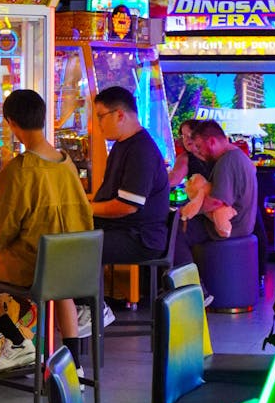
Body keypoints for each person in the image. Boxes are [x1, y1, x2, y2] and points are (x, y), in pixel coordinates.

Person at [0, 89, 92, 374]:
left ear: (11, 122)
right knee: (62, 291)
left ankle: (19, 342)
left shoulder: (19, 169)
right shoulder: (67, 163)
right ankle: (75, 368)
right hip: (71, 264)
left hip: (31, 267)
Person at [89, 85, 170, 266]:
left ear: (119, 115)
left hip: (140, 237)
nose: (98, 124)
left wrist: (86, 209)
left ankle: (77, 288)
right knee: (65, 236)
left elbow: (127, 206)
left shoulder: (141, 150)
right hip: (123, 229)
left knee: (71, 247)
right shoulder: (122, 145)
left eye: (100, 116)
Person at [173, 119, 258, 267]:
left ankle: (189, 280)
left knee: (174, 232)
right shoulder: (239, 156)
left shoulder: (227, 162)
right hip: (242, 225)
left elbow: (216, 202)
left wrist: (185, 212)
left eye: (199, 146)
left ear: (212, 141)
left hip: (229, 227)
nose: (198, 151)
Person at [167, 118, 210, 188]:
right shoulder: (184, 157)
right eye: (184, 136)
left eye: (191, 134)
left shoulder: (217, 154)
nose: (187, 139)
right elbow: (173, 179)